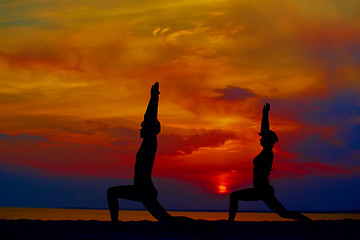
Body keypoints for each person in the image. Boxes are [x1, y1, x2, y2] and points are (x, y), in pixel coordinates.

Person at [228, 103, 312, 222]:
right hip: (262, 189)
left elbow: (265, 132)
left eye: (263, 139)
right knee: (283, 213)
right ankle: (308, 221)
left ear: (268, 141)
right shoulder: (265, 151)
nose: (260, 139)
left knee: (234, 196)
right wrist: (265, 114)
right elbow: (264, 131)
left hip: (262, 190)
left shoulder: (268, 152)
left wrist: (265, 114)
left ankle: (230, 223)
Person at [107, 82, 173, 224]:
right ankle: (114, 223)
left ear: (151, 130)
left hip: (144, 190)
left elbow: (149, 118)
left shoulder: (150, 140)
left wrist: (154, 97)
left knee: (111, 192)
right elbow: (148, 121)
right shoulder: (148, 142)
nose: (140, 129)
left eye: (143, 127)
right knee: (166, 220)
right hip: (143, 190)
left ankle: (114, 224)